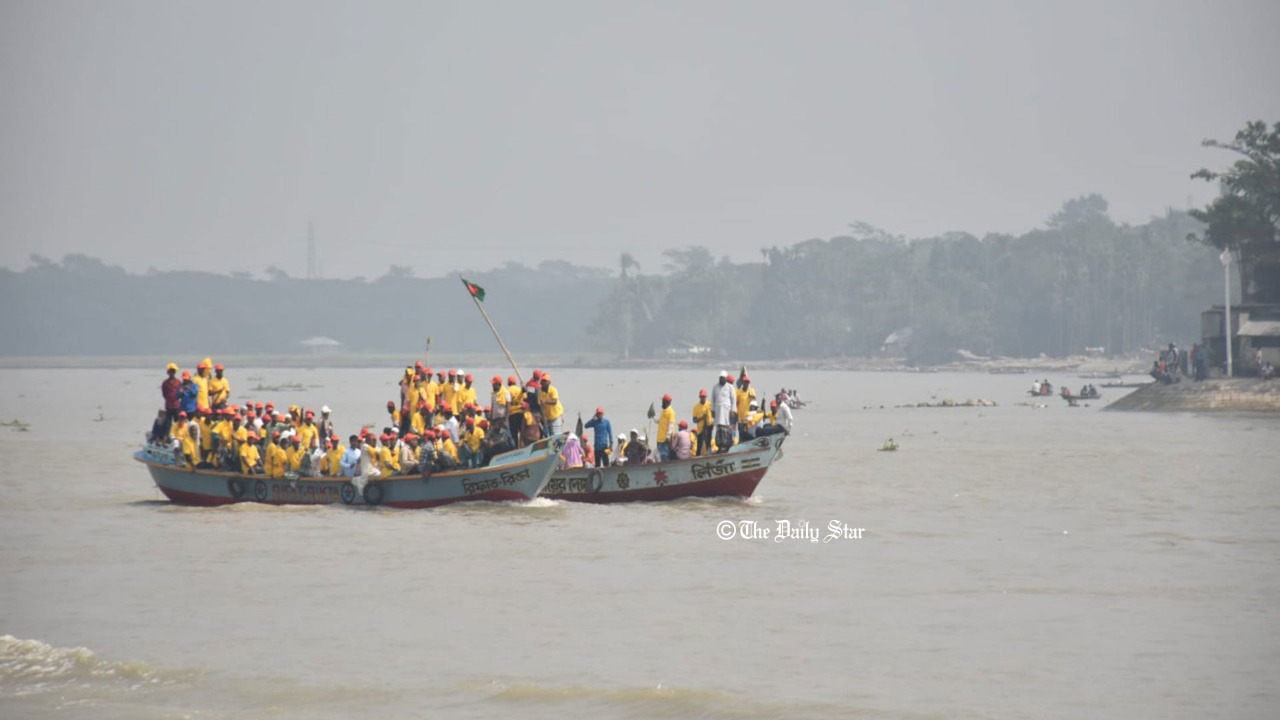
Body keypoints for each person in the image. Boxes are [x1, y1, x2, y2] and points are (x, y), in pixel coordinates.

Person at [711, 371, 735, 453]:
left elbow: (733, 399)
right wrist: (712, 410)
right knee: (719, 428)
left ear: (726, 378)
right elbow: (712, 399)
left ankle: (727, 445)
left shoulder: (730, 387)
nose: (722, 379)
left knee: (727, 428)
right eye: (720, 378)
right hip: (718, 410)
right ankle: (720, 445)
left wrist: (733, 410)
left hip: (726, 410)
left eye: (723, 378)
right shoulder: (715, 387)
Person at [691, 389, 713, 456]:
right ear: (699, 397)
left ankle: (709, 454)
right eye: (701, 397)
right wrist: (701, 418)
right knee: (699, 444)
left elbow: (714, 414)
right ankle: (698, 456)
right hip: (700, 429)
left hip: (709, 426)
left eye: (704, 397)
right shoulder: (696, 407)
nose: (702, 398)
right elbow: (694, 420)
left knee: (708, 442)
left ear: (706, 397)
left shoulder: (709, 404)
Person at [161, 363, 182, 433]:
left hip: (176, 406)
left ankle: (177, 435)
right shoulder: (165, 383)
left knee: (177, 422)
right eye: (170, 371)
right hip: (168, 405)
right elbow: (164, 394)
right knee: (168, 423)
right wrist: (169, 399)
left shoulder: (178, 382)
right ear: (168, 372)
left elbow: (180, 393)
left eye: (173, 371)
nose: (171, 373)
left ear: (175, 372)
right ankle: (168, 436)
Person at [735, 376, 757, 442]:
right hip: (741, 418)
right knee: (741, 434)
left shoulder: (751, 391)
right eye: (745, 382)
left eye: (747, 383)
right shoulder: (738, 392)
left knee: (749, 434)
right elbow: (735, 403)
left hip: (749, 418)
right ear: (743, 383)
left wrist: (752, 395)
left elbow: (754, 402)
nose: (746, 384)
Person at [655, 394, 676, 461]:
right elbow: (659, 421)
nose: (662, 403)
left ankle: (667, 470)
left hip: (665, 439)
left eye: (663, 401)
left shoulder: (670, 412)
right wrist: (653, 418)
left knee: (665, 456)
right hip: (660, 439)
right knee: (661, 456)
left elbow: (671, 424)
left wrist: (668, 436)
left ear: (665, 402)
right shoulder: (663, 411)